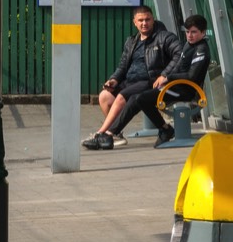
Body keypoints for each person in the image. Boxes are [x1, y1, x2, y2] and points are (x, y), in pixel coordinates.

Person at [86, 14, 211, 150]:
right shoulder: (189, 45)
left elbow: (192, 76)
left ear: (203, 33)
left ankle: (110, 134)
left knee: (141, 98)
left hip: (186, 90)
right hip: (173, 87)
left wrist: (168, 78)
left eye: (194, 32)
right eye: (187, 32)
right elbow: (178, 67)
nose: (190, 35)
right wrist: (161, 77)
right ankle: (163, 128)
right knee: (138, 98)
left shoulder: (201, 49)